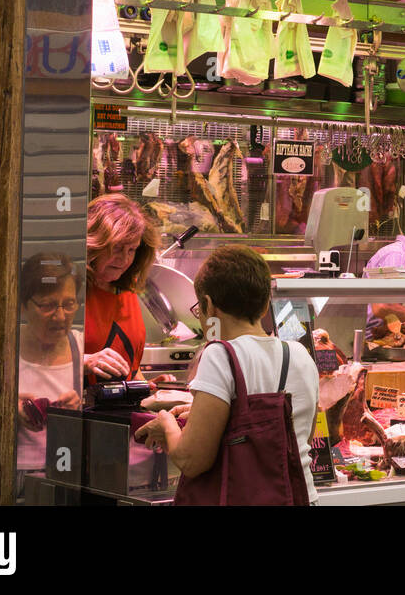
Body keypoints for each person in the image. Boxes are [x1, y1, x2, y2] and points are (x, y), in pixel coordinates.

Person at [136, 246, 320, 503]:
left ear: (208, 306)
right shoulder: (301, 354)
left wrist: (166, 424)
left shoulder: (220, 354)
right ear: (266, 302)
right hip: (299, 497)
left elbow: (192, 460)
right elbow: (295, 435)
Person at [84, 194, 174, 388]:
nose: (124, 260)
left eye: (132, 250)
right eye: (117, 248)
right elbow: (35, 361)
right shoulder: (69, 293)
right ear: (94, 244)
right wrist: (84, 362)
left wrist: (144, 387)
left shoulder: (127, 292)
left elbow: (129, 364)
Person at [16, 254, 83, 482]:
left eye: (69, 304)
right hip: (12, 471)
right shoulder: (4, 348)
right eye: (48, 305)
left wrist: (80, 407)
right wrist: (8, 408)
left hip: (65, 472)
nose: (60, 316)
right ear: (24, 305)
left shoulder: (82, 347)